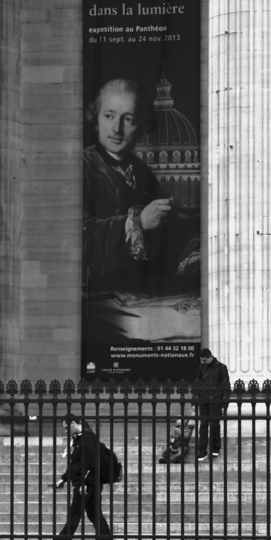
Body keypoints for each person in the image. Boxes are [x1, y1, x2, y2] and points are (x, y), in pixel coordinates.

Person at [81, 78, 200, 350]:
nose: (116, 128)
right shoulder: (83, 166)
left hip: (144, 298)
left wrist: (188, 255)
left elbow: (168, 238)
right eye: (109, 116)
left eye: (128, 119)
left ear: (140, 127)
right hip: (100, 308)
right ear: (96, 119)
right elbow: (80, 239)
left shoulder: (141, 171)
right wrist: (138, 223)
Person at [41, 414, 114, 540]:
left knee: (75, 514)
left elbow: (91, 464)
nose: (66, 431)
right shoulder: (80, 439)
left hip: (88, 484)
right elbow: (77, 463)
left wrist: (84, 483)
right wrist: (64, 479)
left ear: (74, 423)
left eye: (67, 427)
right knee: (95, 515)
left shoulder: (87, 439)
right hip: (89, 483)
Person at [193, 348, 230, 460]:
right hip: (204, 400)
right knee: (203, 425)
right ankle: (202, 451)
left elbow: (225, 386)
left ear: (210, 357)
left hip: (216, 401)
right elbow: (197, 384)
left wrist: (224, 404)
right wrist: (194, 403)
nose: (203, 362)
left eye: (205, 360)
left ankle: (215, 449)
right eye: (202, 360)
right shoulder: (201, 367)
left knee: (215, 425)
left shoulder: (221, 367)